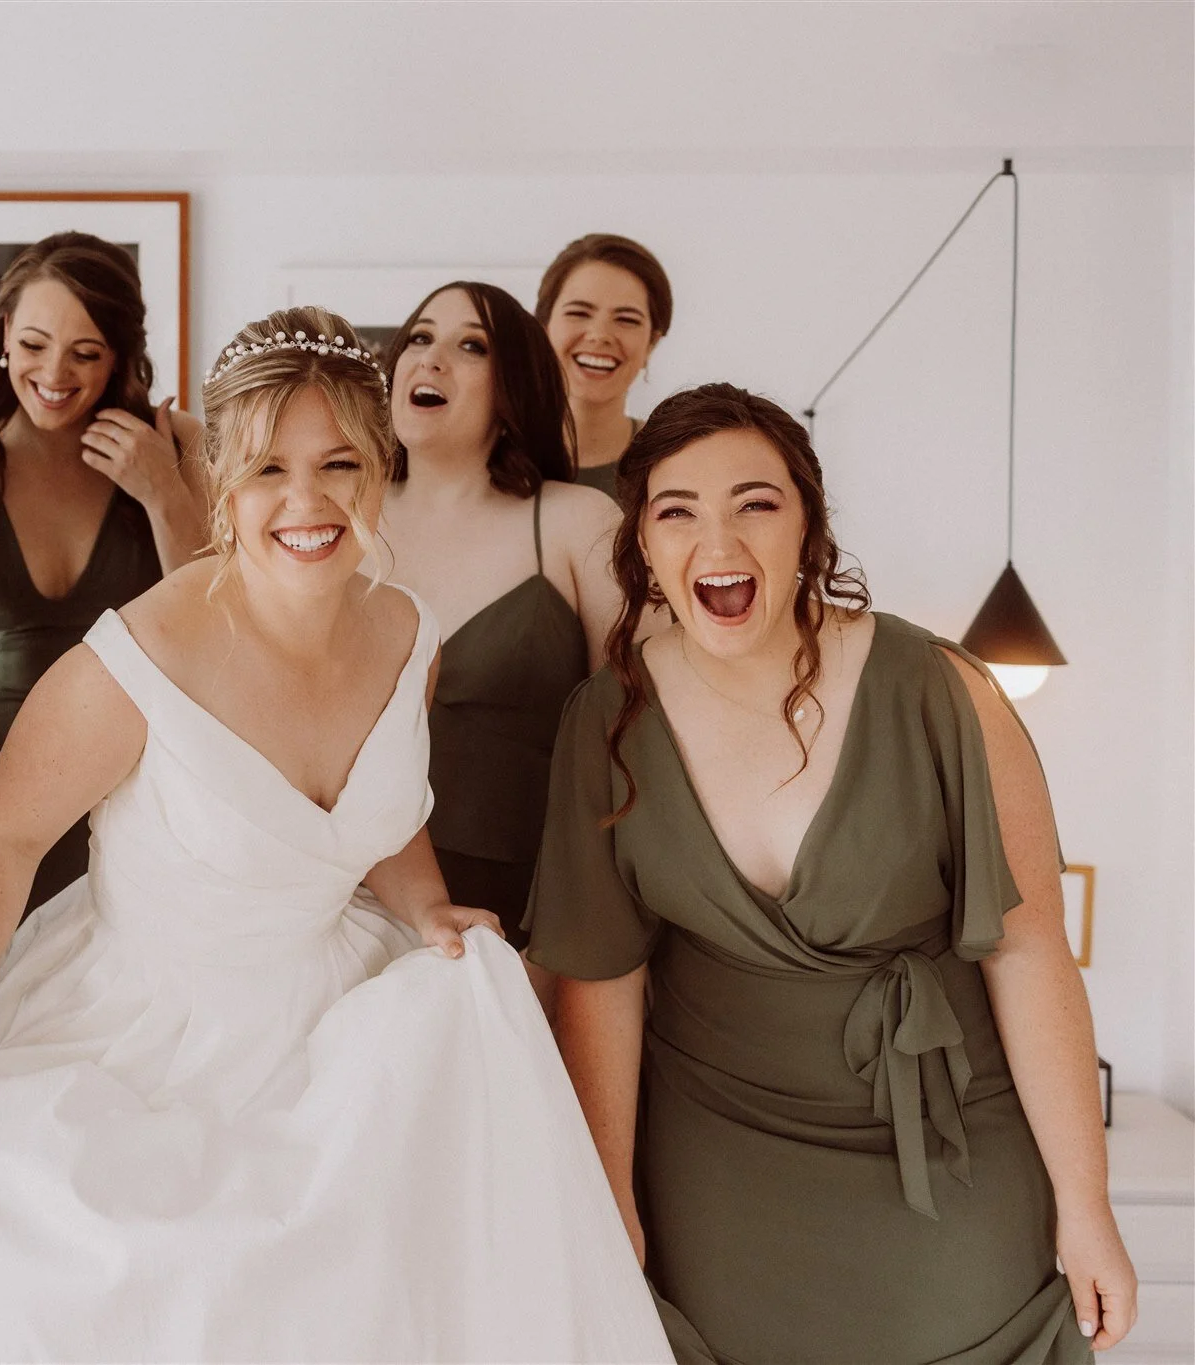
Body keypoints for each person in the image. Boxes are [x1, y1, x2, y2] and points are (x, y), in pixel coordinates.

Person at [0, 307, 672, 1364]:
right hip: (145, 1035)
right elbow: (2, 844)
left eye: (338, 464)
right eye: (267, 470)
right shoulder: (133, 660)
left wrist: (426, 906)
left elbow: (384, 812)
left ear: (377, 469)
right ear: (223, 485)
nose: (305, 501)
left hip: (339, 1020)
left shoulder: (408, 631)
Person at [526, 383, 1137, 1363]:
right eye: (676, 511)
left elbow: (1028, 955)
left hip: (949, 1154)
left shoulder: (945, 691)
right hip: (718, 1166)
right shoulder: (604, 724)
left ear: (808, 526)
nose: (717, 541)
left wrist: (1087, 1206)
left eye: (755, 503)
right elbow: (601, 983)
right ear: (641, 543)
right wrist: (610, 1204)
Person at [0, 232, 206, 912]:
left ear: (119, 355)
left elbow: (220, 625)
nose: (54, 373)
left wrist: (163, 495)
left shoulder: (179, 446)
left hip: (139, 799)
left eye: (85, 353)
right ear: (4, 335)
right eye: (34, 344)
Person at [380, 281, 621, 964]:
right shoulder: (333, 519)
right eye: (419, 337)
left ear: (515, 386)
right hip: (346, 897)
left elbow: (637, 732)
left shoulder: (578, 522)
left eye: (472, 346)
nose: (431, 358)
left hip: (523, 915)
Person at [535, 234, 671, 505]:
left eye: (626, 319)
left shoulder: (674, 459)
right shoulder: (483, 456)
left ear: (651, 343)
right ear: (543, 328)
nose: (599, 335)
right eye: (578, 313)